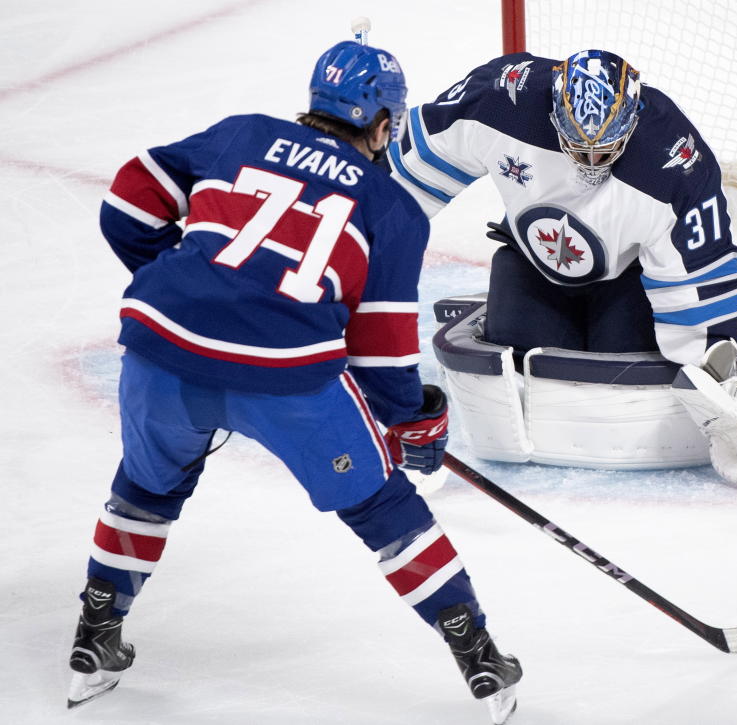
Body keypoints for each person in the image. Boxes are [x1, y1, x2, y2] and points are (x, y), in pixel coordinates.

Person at [67, 39, 522, 725]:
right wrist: (411, 418)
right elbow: (382, 351)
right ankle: (478, 655)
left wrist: (181, 285)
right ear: (382, 125)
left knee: (146, 485)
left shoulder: (240, 133)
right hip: (284, 381)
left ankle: (95, 635)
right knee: (381, 508)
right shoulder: (391, 207)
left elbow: (129, 203)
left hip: (160, 350)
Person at [388, 48, 737, 365]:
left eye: (606, 149)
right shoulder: (500, 100)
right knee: (520, 363)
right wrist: (364, 229)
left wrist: (712, 361)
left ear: (634, 117)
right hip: (530, 263)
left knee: (619, 366)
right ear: (553, 113)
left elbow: (700, 267)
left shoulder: (674, 159)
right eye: (577, 147)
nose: (592, 161)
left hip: (630, 282)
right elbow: (416, 161)